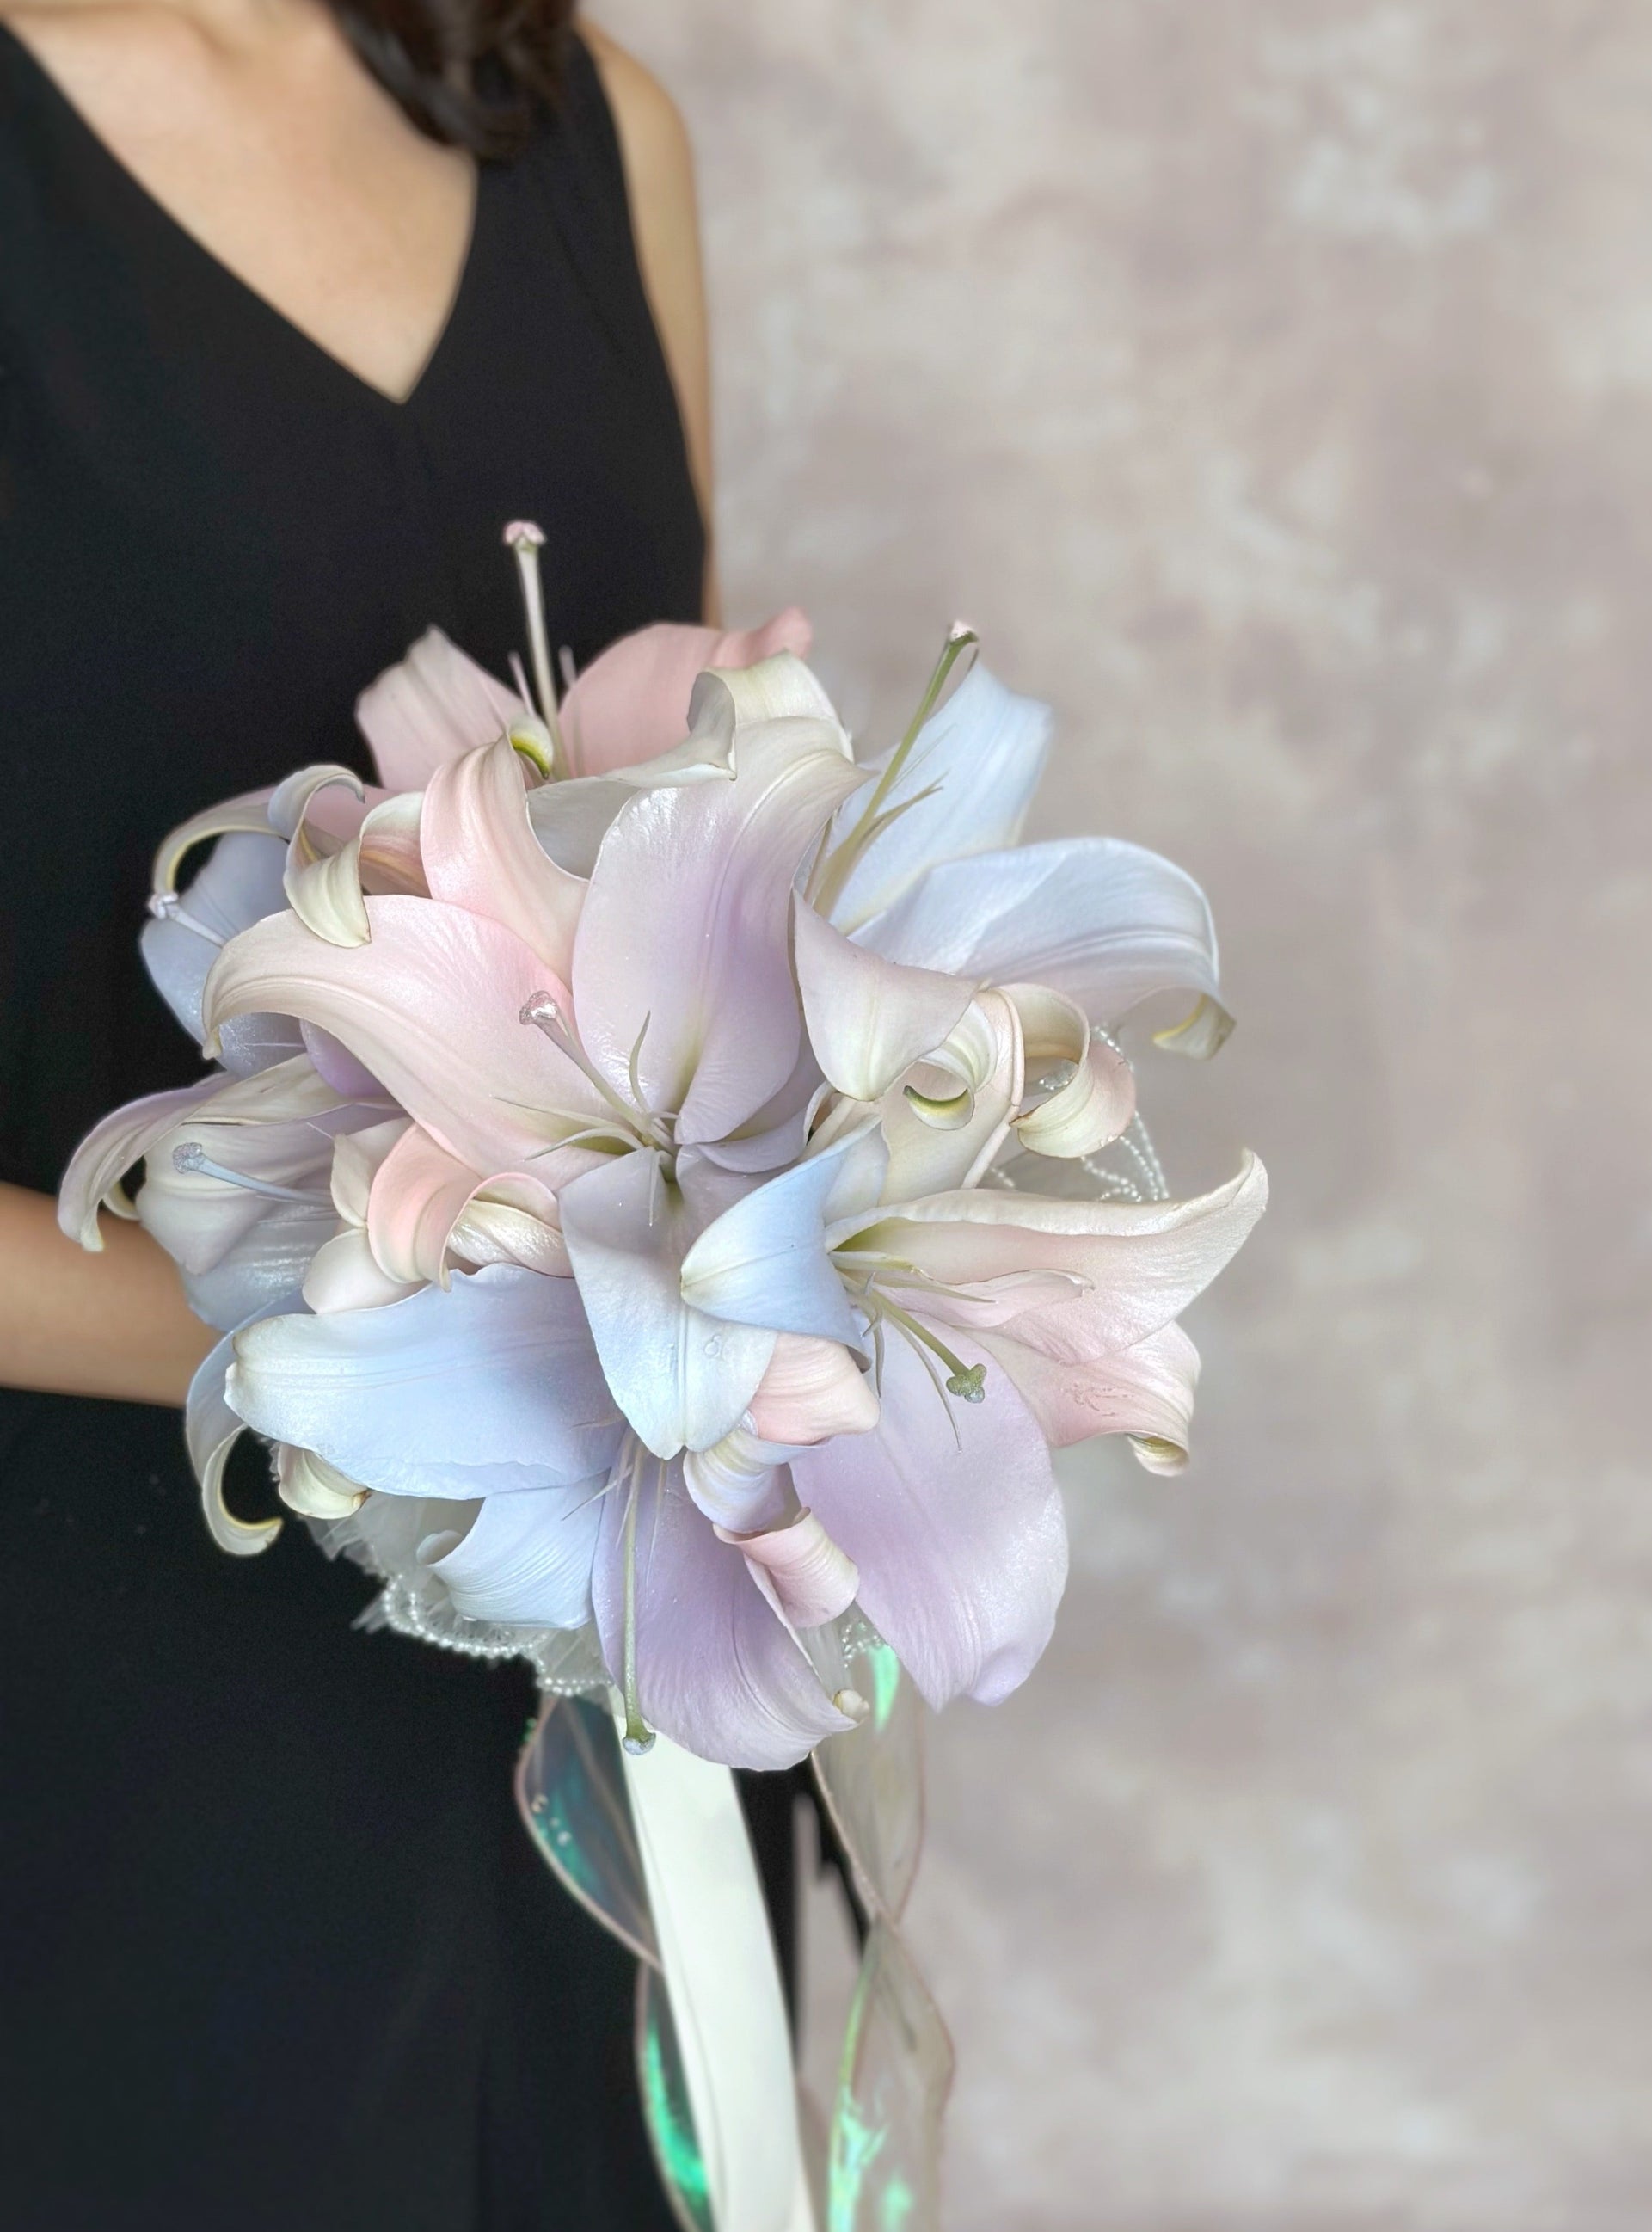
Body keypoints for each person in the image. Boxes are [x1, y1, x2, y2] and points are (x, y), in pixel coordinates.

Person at [0, 3, 794, 2220]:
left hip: (598, 1743)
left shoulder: (589, 122)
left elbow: (678, 867)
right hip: (89, 1757)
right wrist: (402, 1331)